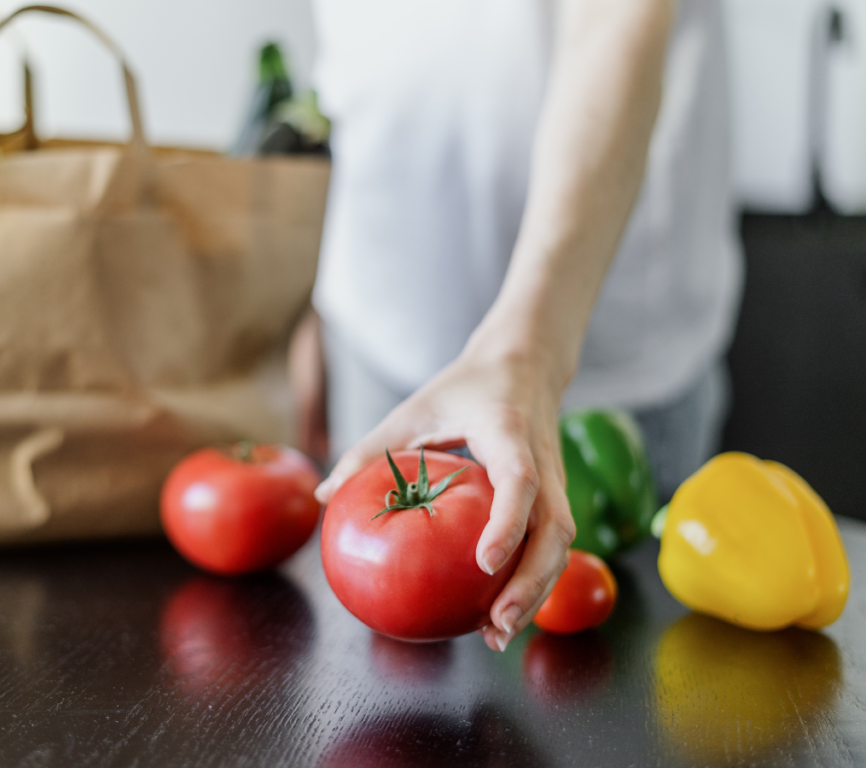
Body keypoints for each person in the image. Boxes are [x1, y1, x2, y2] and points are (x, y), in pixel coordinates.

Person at [290, 0, 742, 652]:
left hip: (607, 342)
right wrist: (314, 296)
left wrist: (528, 348)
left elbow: (618, 24)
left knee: (614, 692)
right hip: (377, 313)